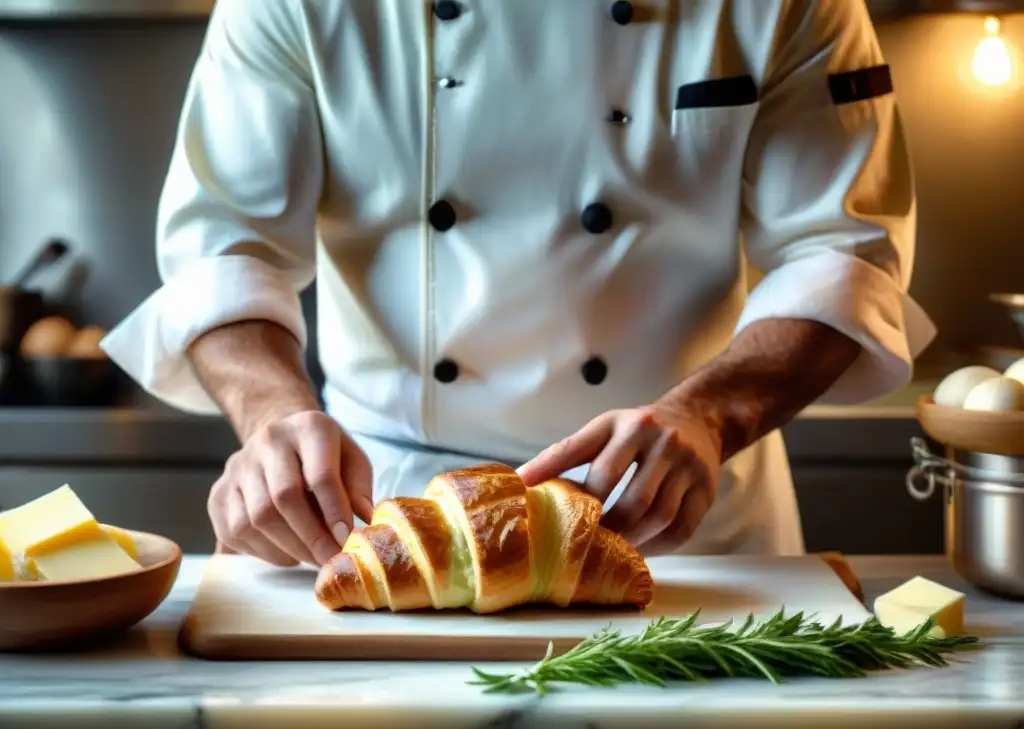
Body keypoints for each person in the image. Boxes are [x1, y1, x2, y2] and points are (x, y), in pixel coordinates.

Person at [102, 0, 934, 569]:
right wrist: (275, 420)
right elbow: (223, 249)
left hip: (677, 513)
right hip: (387, 514)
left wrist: (710, 416)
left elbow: (845, 253)